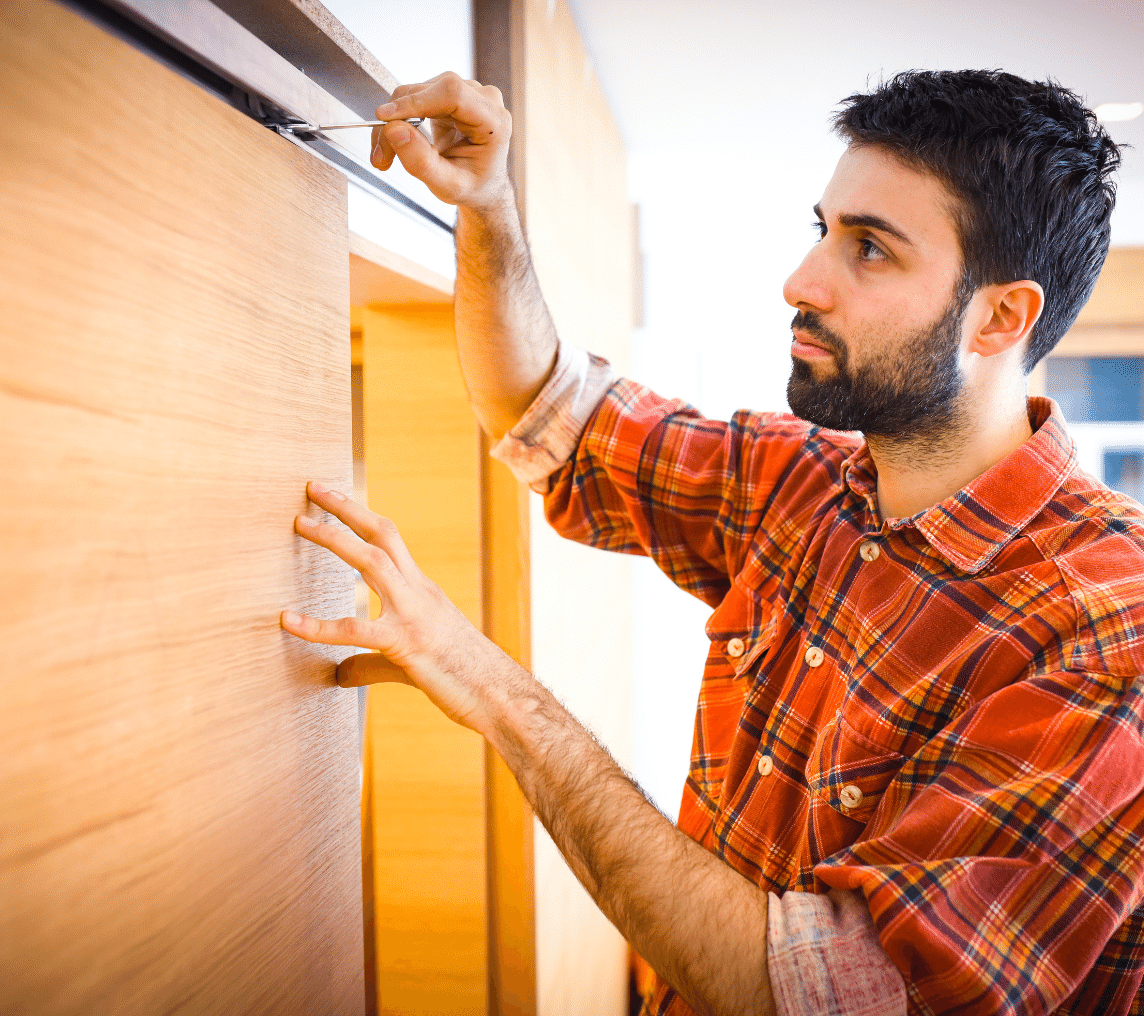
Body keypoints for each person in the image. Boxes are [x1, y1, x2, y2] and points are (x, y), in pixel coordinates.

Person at [280, 68, 1144, 1014]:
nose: (802, 280)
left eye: (870, 250)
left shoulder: (1109, 627)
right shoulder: (806, 484)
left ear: (1000, 317)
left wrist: (497, 692)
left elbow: (821, 998)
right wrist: (487, 210)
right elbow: (550, 415)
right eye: (825, 230)